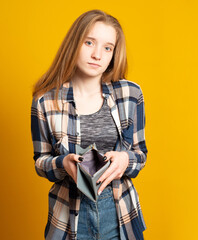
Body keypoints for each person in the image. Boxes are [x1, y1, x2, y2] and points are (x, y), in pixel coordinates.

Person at [30, 9, 147, 240]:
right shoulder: (45, 101)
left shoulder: (130, 94)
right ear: (74, 43)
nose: (97, 55)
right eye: (89, 42)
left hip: (120, 214)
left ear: (114, 53)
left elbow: (140, 154)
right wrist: (63, 163)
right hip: (69, 218)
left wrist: (125, 160)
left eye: (107, 48)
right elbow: (40, 161)